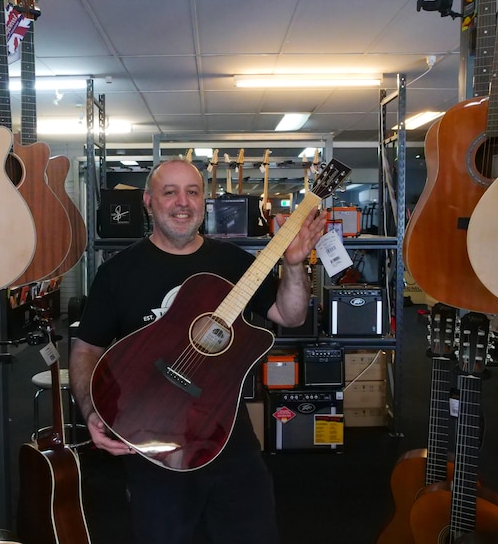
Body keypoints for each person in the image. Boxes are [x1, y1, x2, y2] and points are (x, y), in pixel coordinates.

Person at [70, 157, 326, 544]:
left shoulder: (233, 262)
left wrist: (293, 266)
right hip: (153, 440)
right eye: (169, 192)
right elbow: (86, 348)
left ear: (205, 201)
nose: (182, 202)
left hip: (229, 439)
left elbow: (289, 316)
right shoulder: (118, 272)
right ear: (148, 201)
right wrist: (92, 410)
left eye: (192, 192)